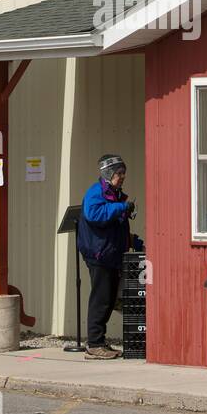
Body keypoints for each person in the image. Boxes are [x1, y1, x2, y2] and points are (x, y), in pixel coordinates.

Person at [78, 153, 142, 360]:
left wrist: (132, 240)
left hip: (111, 254)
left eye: (124, 173)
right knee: (101, 299)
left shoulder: (114, 194)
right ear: (108, 174)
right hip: (99, 255)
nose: (122, 176)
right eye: (119, 173)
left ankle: (99, 342)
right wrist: (121, 207)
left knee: (109, 298)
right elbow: (94, 215)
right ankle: (94, 345)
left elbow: (114, 226)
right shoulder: (96, 193)